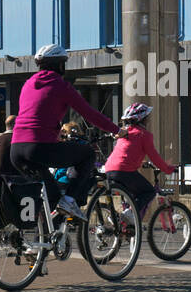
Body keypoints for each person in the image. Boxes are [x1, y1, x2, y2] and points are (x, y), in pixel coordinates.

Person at [10, 44, 119, 222]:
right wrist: (117, 130)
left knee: (52, 196)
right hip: (39, 147)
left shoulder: (28, 84)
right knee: (87, 154)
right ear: (61, 65)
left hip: (16, 150)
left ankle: (42, 242)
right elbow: (90, 114)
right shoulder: (61, 86)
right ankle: (70, 200)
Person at [104, 103, 175, 225]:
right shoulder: (144, 135)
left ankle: (123, 222)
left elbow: (126, 153)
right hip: (124, 171)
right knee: (149, 192)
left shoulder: (124, 133)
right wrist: (167, 169)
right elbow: (154, 157)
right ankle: (128, 214)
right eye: (147, 117)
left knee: (132, 193)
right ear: (142, 119)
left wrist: (140, 163)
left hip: (109, 169)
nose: (148, 120)